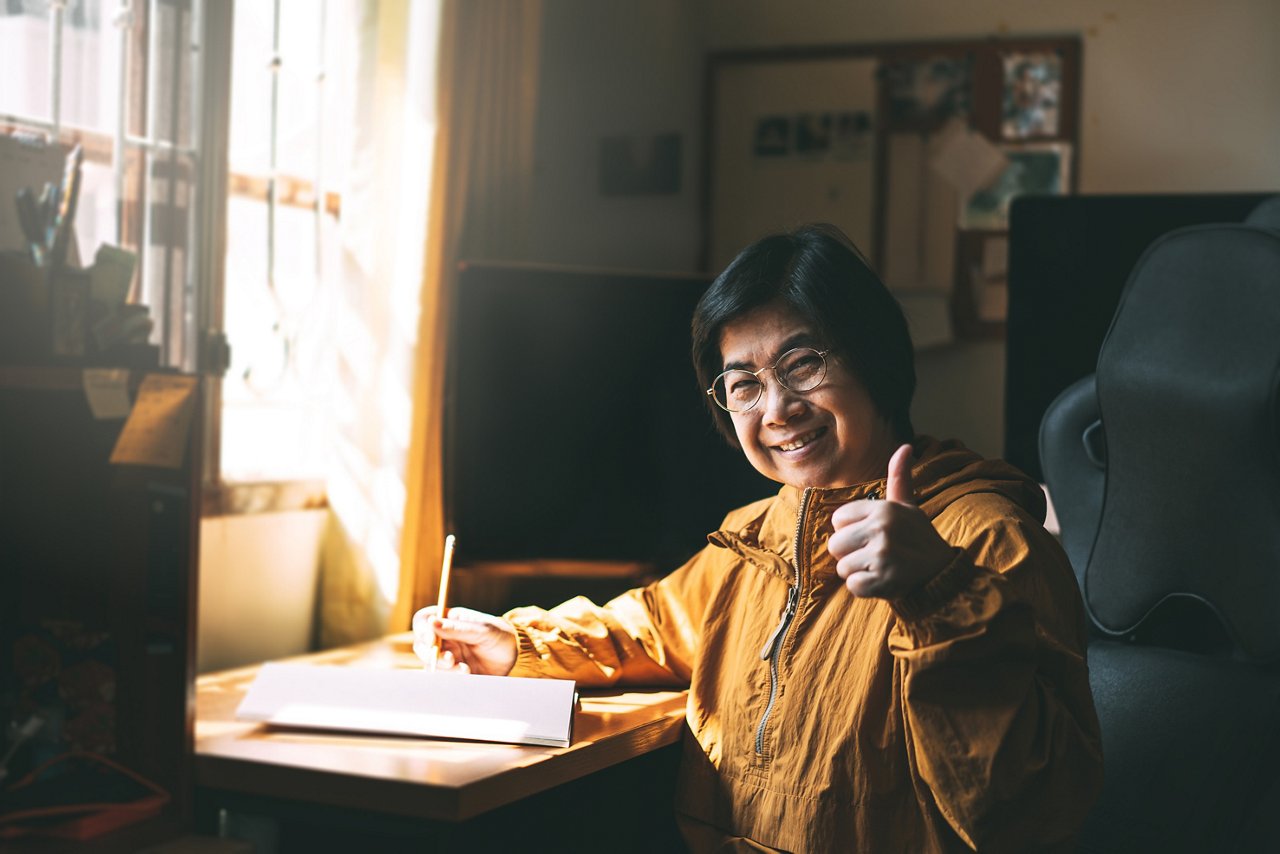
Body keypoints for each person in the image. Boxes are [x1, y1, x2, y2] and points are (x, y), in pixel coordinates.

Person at [413, 223, 1103, 852]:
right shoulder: (758, 537)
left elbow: (1035, 818)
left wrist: (939, 595)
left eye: (804, 365)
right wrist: (517, 644)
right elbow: (652, 628)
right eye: (743, 384)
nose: (777, 410)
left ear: (877, 359)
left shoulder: (990, 540)